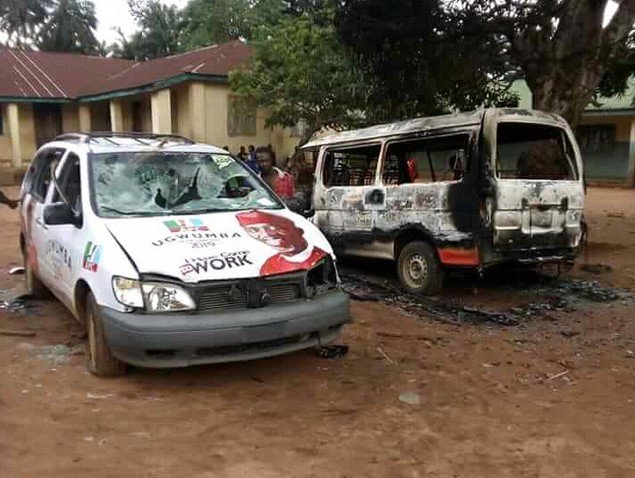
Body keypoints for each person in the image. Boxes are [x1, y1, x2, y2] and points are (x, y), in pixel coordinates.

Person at [236, 210, 326, 276]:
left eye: (272, 228)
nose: (265, 234)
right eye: (253, 230)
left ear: (299, 231)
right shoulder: (269, 265)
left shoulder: (322, 256)